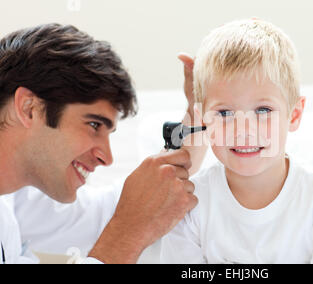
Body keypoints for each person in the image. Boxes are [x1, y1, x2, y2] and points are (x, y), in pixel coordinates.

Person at [160, 19, 313, 264]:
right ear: (202, 118)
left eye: (263, 110)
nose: (244, 130)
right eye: (224, 113)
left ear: (294, 115)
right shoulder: (188, 205)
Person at [0, 23, 205, 264]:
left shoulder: (15, 199)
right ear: (29, 108)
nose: (107, 158)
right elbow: (124, 222)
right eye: (94, 125)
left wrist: (198, 113)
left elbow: (114, 211)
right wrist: (128, 234)